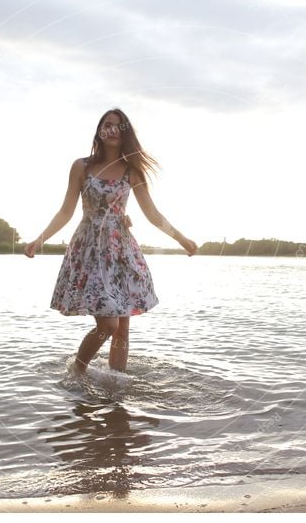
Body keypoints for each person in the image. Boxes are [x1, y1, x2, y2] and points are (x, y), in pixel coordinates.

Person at [24, 108, 198, 373]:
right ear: (99, 131)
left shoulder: (132, 172)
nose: (112, 129)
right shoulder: (82, 166)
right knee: (108, 325)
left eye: (118, 125)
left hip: (121, 252)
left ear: (125, 132)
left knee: (122, 329)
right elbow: (66, 210)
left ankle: (117, 383)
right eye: (107, 124)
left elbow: (152, 213)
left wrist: (182, 239)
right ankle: (78, 371)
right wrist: (40, 239)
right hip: (90, 250)